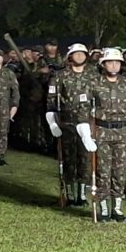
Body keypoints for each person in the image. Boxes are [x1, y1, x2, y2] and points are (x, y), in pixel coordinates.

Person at [77, 48, 126, 222]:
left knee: (119, 171)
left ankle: (117, 209)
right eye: (110, 62)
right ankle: (104, 209)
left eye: (117, 62)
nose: (113, 65)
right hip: (102, 131)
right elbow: (83, 110)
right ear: (103, 64)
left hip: (123, 132)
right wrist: (85, 135)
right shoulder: (93, 83)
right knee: (103, 171)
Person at [46, 43, 95, 206]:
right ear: (70, 57)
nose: (79, 56)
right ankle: (70, 193)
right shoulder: (60, 76)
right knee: (69, 158)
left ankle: (82, 195)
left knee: (85, 158)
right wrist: (52, 123)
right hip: (66, 122)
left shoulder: (94, 75)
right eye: (76, 53)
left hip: (88, 122)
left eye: (82, 53)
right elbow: (51, 101)